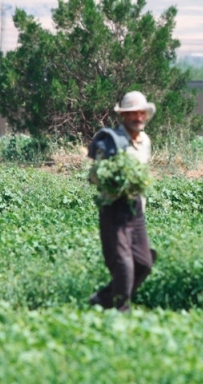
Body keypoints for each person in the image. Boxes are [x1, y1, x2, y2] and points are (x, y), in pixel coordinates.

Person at [88, 91, 157, 312]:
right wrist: (110, 180)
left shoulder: (145, 141)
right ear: (124, 116)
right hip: (113, 206)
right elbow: (94, 176)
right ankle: (121, 311)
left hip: (135, 209)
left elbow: (143, 172)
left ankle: (105, 298)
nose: (138, 118)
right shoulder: (111, 142)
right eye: (133, 114)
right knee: (124, 265)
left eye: (141, 113)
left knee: (144, 263)